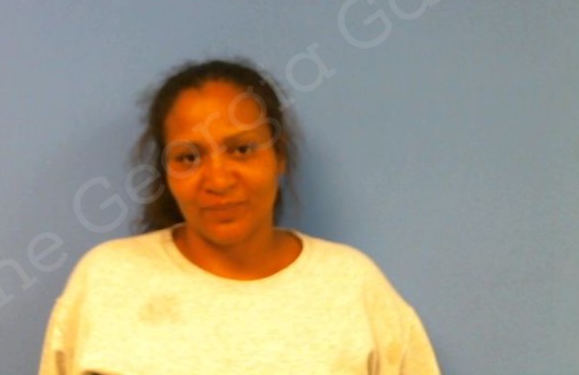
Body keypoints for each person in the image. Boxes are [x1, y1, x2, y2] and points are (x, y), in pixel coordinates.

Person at [38, 58, 440, 374]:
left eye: (242, 150)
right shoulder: (105, 281)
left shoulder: (352, 286)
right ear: (166, 173)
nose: (218, 180)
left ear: (278, 156)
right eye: (188, 157)